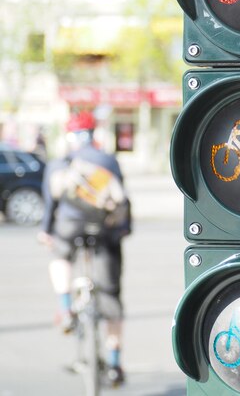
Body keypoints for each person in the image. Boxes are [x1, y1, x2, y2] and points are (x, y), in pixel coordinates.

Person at [38, 111, 131, 386]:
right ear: (94, 134)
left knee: (59, 254)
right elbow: (123, 201)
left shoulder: (60, 163)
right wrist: (123, 231)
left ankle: (66, 308)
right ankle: (114, 364)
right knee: (112, 299)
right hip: (104, 230)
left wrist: (46, 231)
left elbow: (49, 205)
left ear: (70, 136)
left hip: (69, 226)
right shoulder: (108, 160)